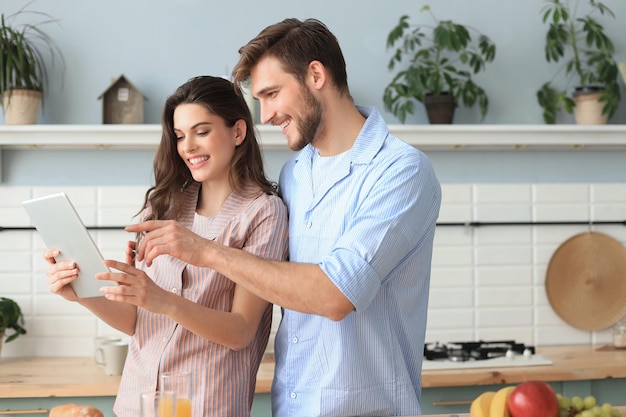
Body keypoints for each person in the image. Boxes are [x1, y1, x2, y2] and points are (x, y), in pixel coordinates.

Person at [127, 18, 441, 417]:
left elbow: (335, 295)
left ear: (315, 75)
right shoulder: (296, 174)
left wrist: (204, 251)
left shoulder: (400, 171)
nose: (266, 114)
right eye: (259, 99)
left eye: (272, 94)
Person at [44, 76, 288, 417]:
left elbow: (241, 331)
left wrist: (164, 301)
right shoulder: (163, 206)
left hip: (208, 405)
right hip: (138, 403)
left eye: (201, 131)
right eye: (179, 136)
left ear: (237, 132)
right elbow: (137, 320)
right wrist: (81, 293)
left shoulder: (263, 213)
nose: (187, 146)